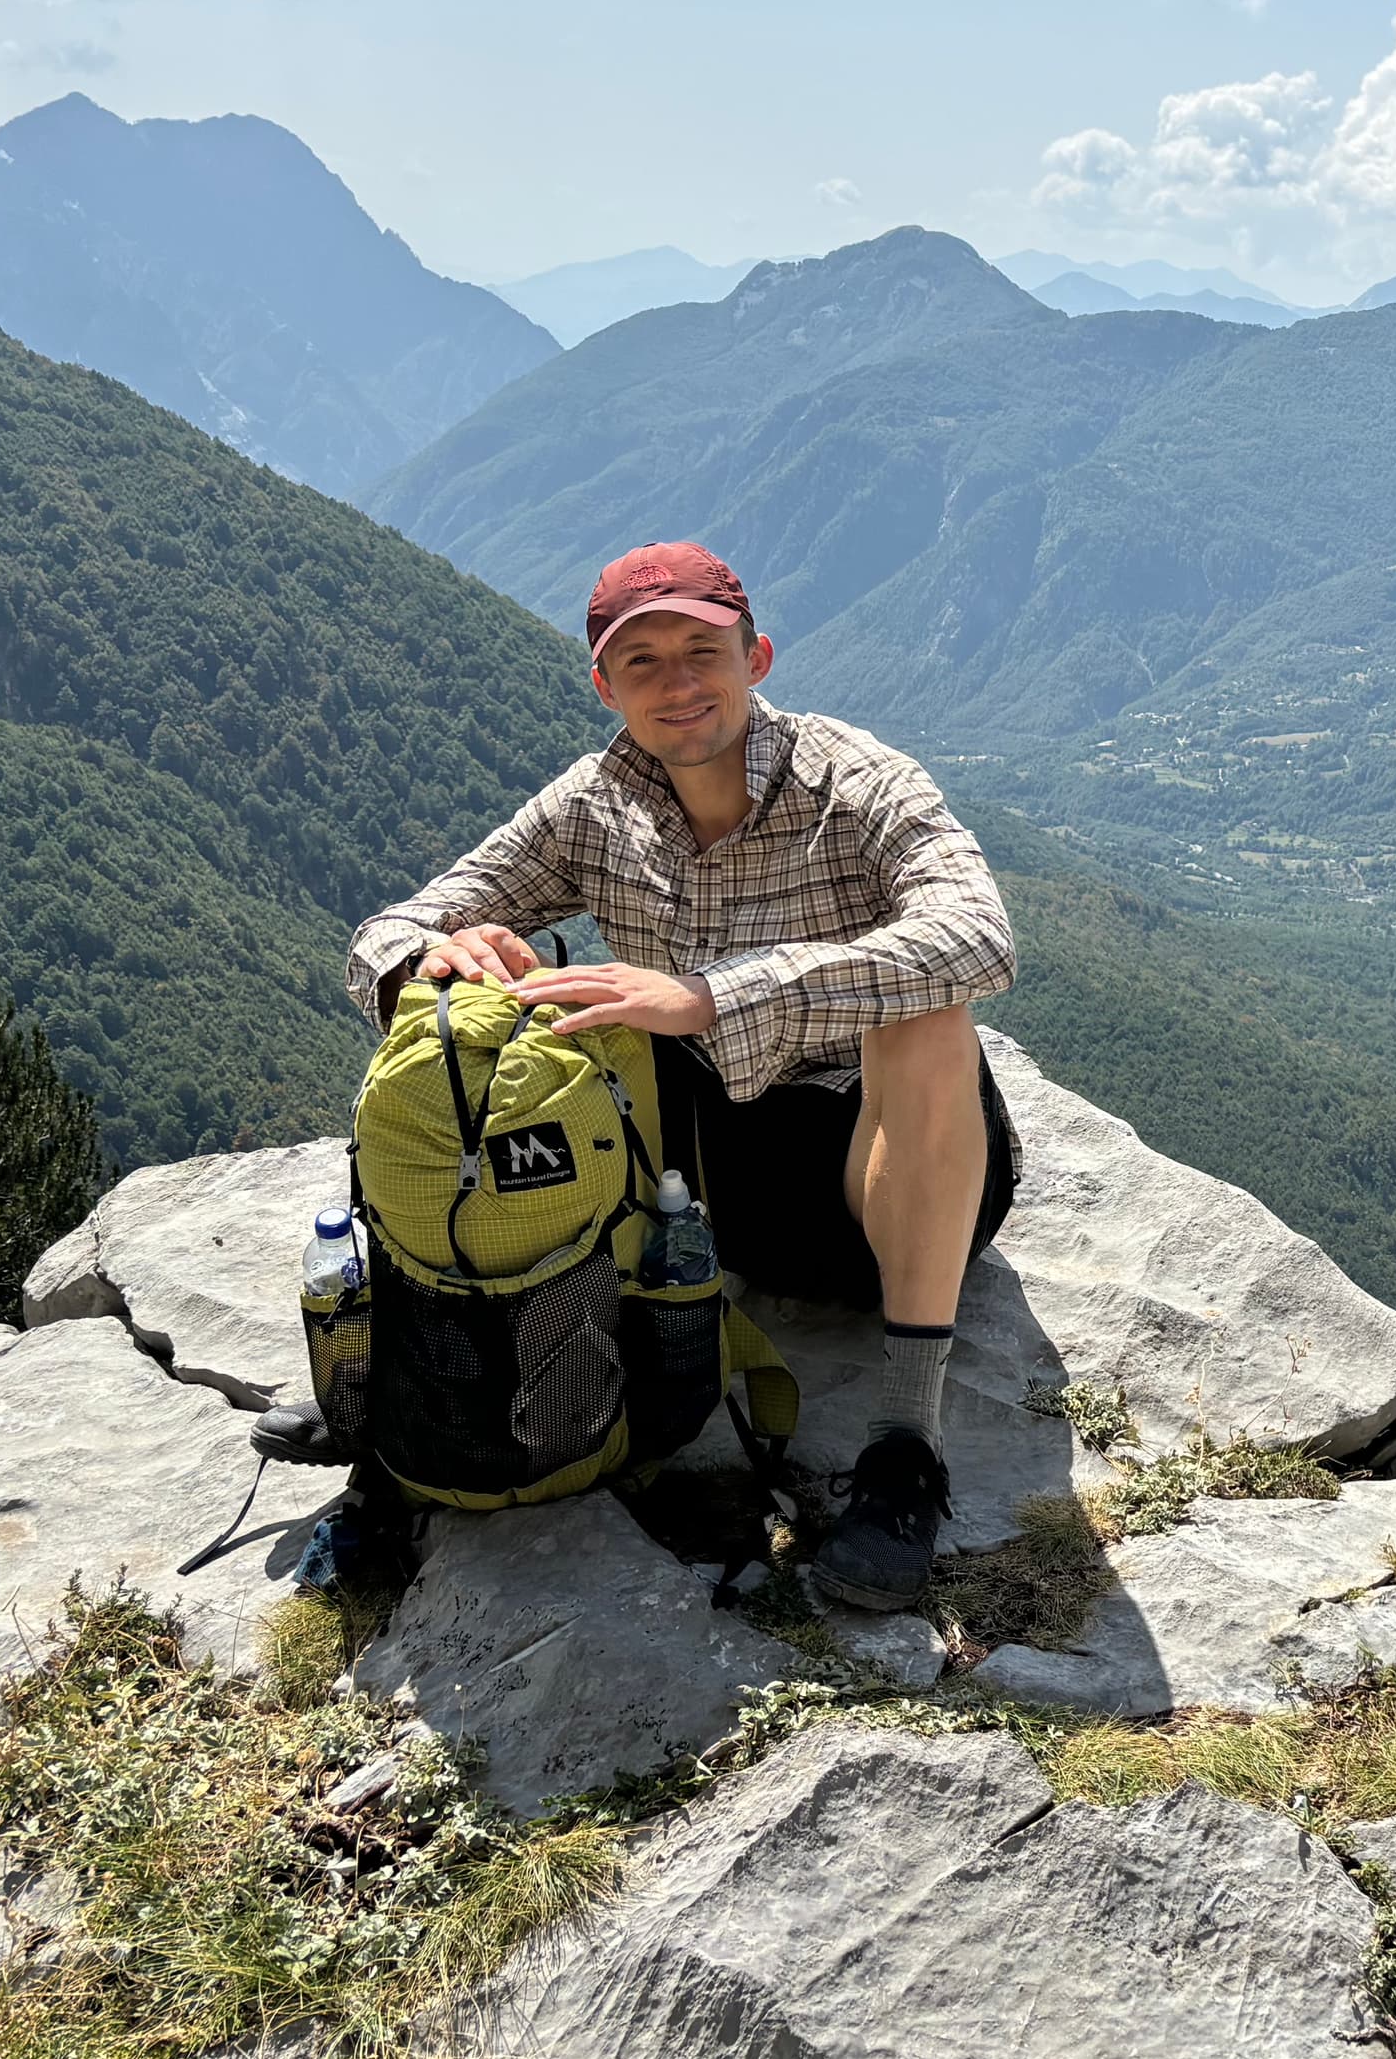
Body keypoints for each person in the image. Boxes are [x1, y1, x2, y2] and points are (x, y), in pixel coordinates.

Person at [341, 539, 1017, 1611]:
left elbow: (977, 939)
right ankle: (440, 1373)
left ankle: (904, 1451)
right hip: (693, 1194)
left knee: (926, 1012)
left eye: (702, 650)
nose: (679, 683)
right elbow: (395, 925)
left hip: (886, 1178)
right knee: (502, 1028)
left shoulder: (857, 783)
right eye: (642, 661)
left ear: (759, 656)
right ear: (604, 686)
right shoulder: (594, 803)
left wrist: (711, 995)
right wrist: (434, 956)